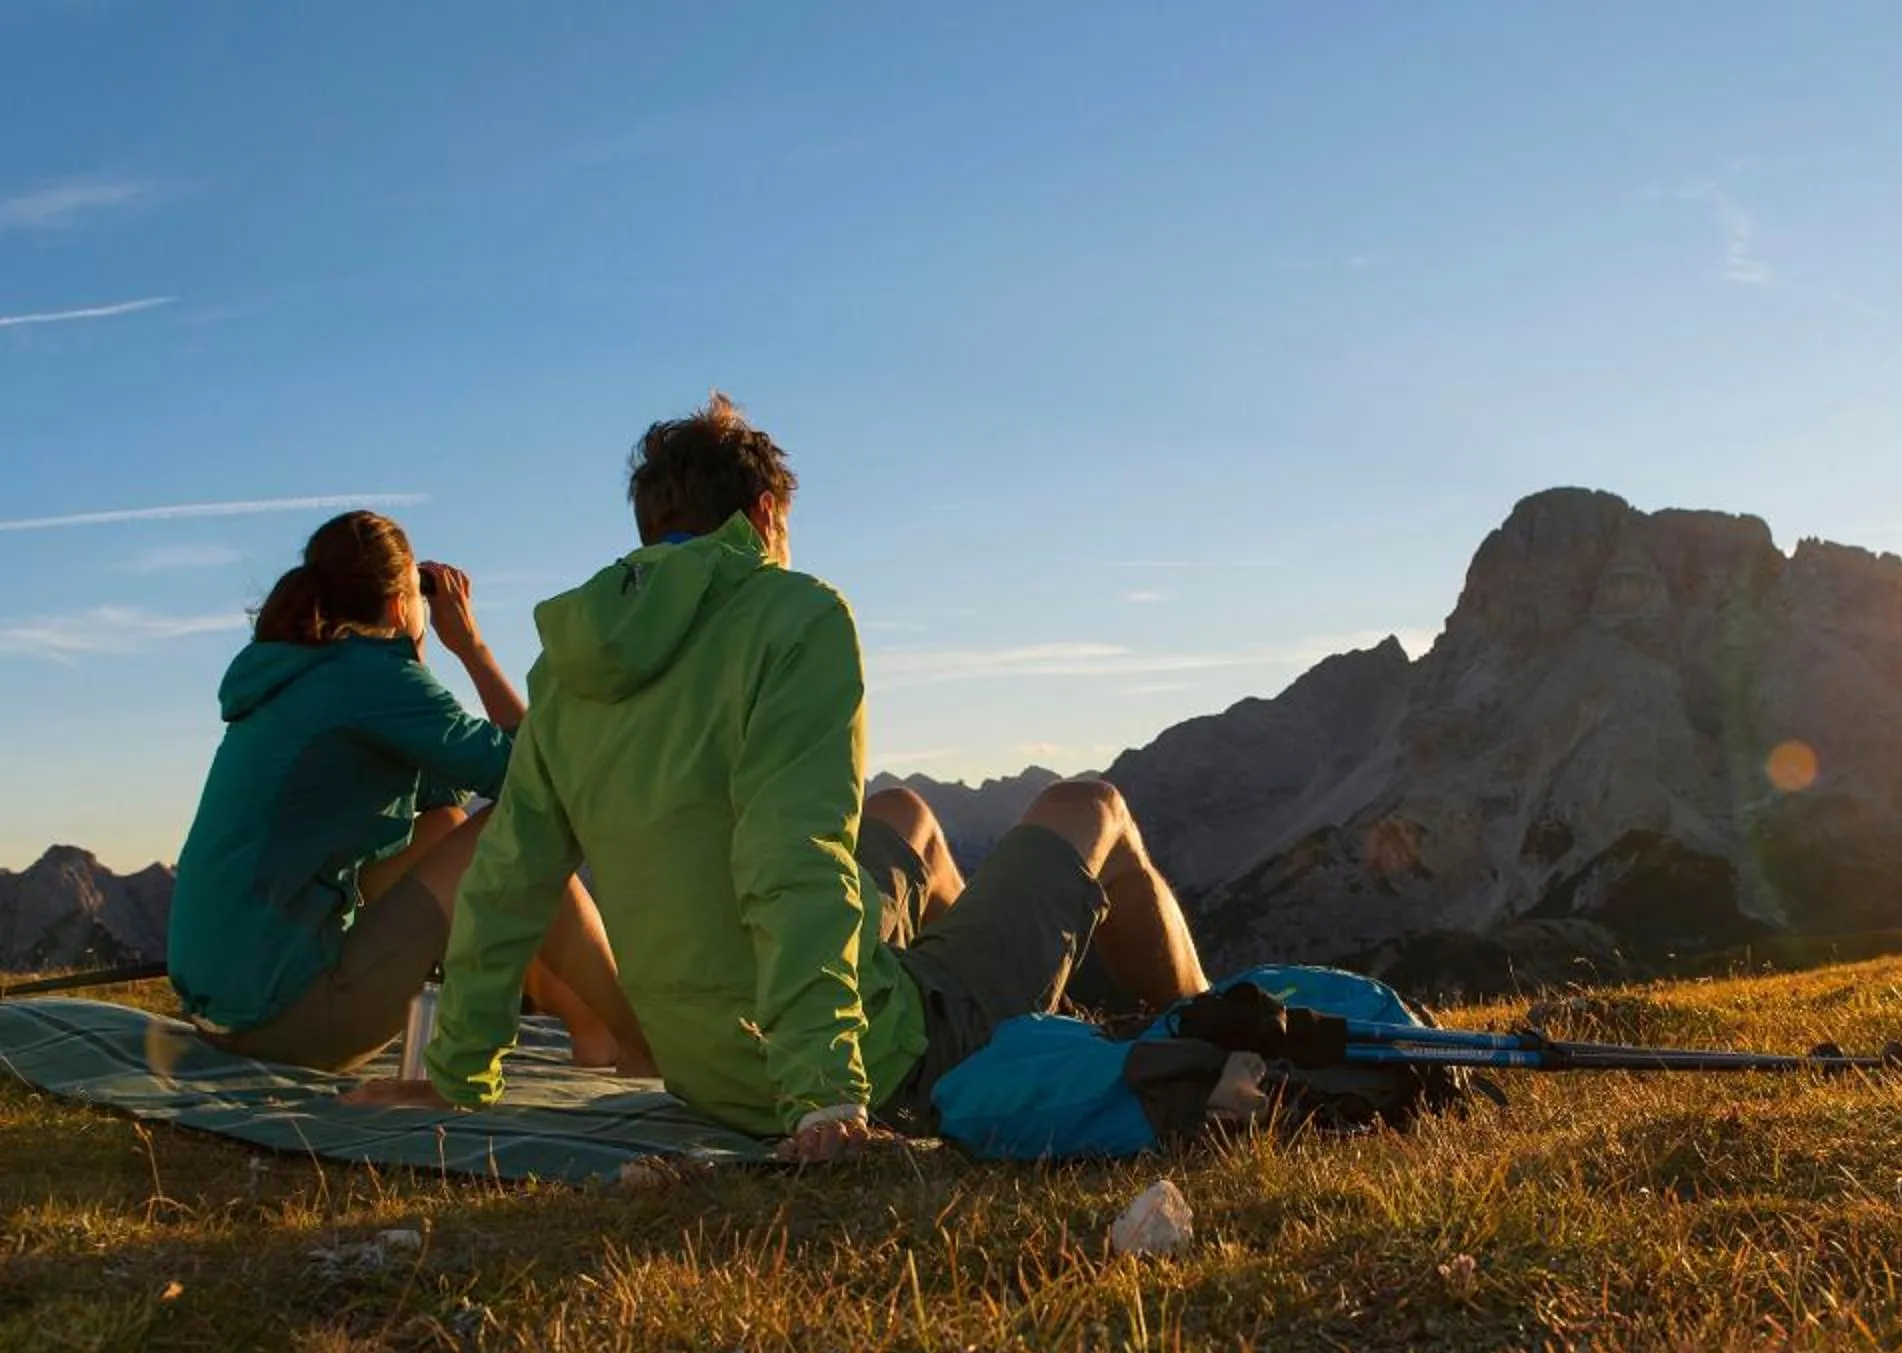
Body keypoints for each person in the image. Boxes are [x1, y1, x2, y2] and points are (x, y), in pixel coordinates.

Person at [345, 395, 1210, 1158]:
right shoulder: (795, 614)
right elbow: (789, 854)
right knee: (1091, 808)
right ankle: (1211, 1026)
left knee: (904, 813)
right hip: (859, 1067)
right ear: (764, 516)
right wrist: (823, 1094)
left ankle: (957, 994)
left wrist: (458, 1071)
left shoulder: (572, 671)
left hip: (709, 1071)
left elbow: (508, 879)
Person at [168, 511, 654, 1074]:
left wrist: (414, 662)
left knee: (442, 827)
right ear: (402, 604)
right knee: (517, 824)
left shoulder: (309, 672)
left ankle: (595, 1034)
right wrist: (470, 648)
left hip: (231, 1016)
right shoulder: (370, 678)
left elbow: (442, 794)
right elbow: (541, 782)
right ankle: (639, 1041)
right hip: (292, 1020)